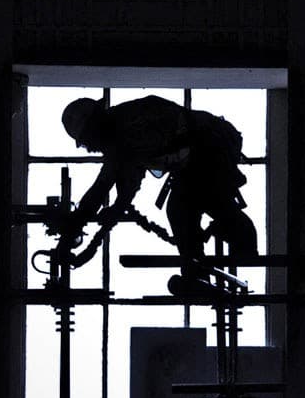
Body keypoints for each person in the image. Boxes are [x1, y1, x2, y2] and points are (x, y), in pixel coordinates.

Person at [60, 95, 258, 293]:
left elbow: (104, 186)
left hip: (211, 145)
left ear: (94, 128)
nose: (90, 147)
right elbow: (124, 179)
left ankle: (213, 261)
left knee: (184, 206)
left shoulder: (124, 130)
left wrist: (75, 225)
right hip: (207, 146)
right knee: (192, 203)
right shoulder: (120, 130)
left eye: (87, 140)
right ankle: (227, 251)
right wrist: (113, 208)